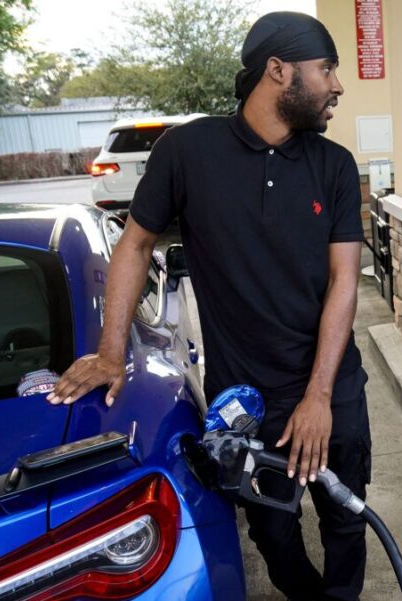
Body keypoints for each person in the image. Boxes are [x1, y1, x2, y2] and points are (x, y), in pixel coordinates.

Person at [46, 12, 372, 601]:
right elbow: (135, 243)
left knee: (346, 518)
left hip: (332, 388)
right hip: (245, 399)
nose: (337, 85)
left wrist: (320, 397)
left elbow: (344, 281)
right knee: (272, 530)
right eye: (326, 69)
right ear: (279, 70)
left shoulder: (334, 166)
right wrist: (110, 353)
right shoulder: (189, 152)